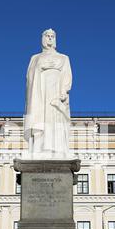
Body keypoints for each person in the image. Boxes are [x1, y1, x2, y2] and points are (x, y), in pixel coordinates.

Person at [24, 29, 73, 159]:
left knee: (55, 119)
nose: (50, 38)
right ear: (43, 39)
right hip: (39, 93)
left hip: (56, 93)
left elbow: (67, 75)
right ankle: (39, 148)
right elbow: (29, 77)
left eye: (52, 36)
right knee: (40, 119)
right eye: (47, 36)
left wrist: (63, 91)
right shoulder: (35, 58)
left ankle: (57, 150)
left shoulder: (63, 58)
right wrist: (40, 68)